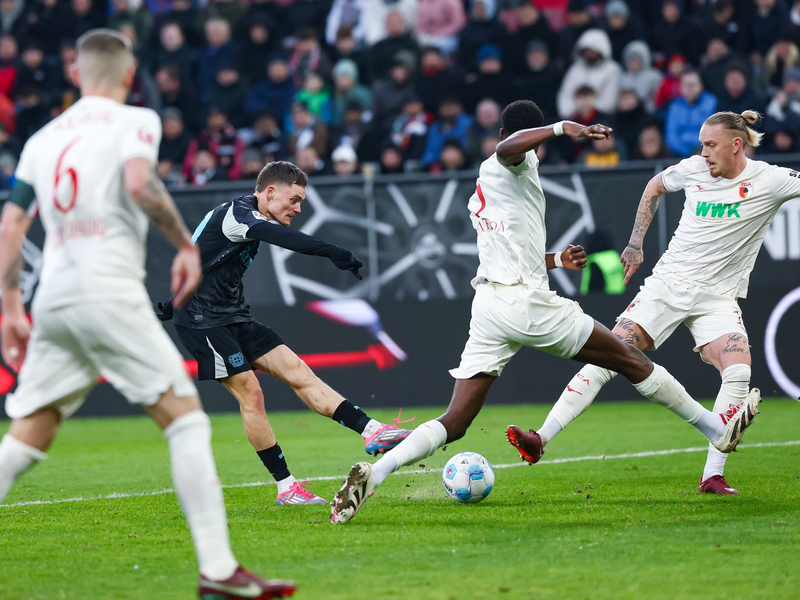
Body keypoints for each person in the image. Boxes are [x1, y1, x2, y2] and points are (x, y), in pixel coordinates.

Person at [330, 101, 761, 524]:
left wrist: (555, 261)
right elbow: (508, 150)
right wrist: (560, 128)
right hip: (525, 303)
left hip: (490, 307)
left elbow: (511, 246)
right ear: (518, 139)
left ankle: (377, 473)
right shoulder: (507, 161)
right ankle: (714, 430)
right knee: (631, 360)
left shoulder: (495, 181)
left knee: (456, 419)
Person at [0, 29, 293, 598]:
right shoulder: (136, 122)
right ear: (130, 75)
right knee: (186, 420)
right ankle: (218, 570)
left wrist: (10, 302)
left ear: (76, 73)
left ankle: (220, 573)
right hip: (106, 290)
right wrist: (185, 244)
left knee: (28, 434)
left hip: (53, 300)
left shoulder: (42, 138)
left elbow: (11, 224)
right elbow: (140, 183)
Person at [514, 110, 796, 496]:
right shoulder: (694, 169)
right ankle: (541, 438)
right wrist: (635, 244)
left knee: (739, 372)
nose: (703, 152)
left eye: (710, 145)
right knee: (610, 353)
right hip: (667, 286)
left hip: (717, 297)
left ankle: (712, 476)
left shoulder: (771, 180)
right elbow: (654, 186)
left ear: (736, 144)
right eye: (701, 144)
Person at [157, 161, 412, 505]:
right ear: (270, 191)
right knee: (252, 394)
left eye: (301, 202)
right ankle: (287, 488)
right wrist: (333, 252)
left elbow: (202, 255)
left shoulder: (247, 217)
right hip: (202, 321)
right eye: (294, 200)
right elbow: (279, 237)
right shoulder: (239, 214)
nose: (298, 208)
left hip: (232, 313)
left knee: (297, 370)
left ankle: (372, 431)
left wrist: (174, 299)